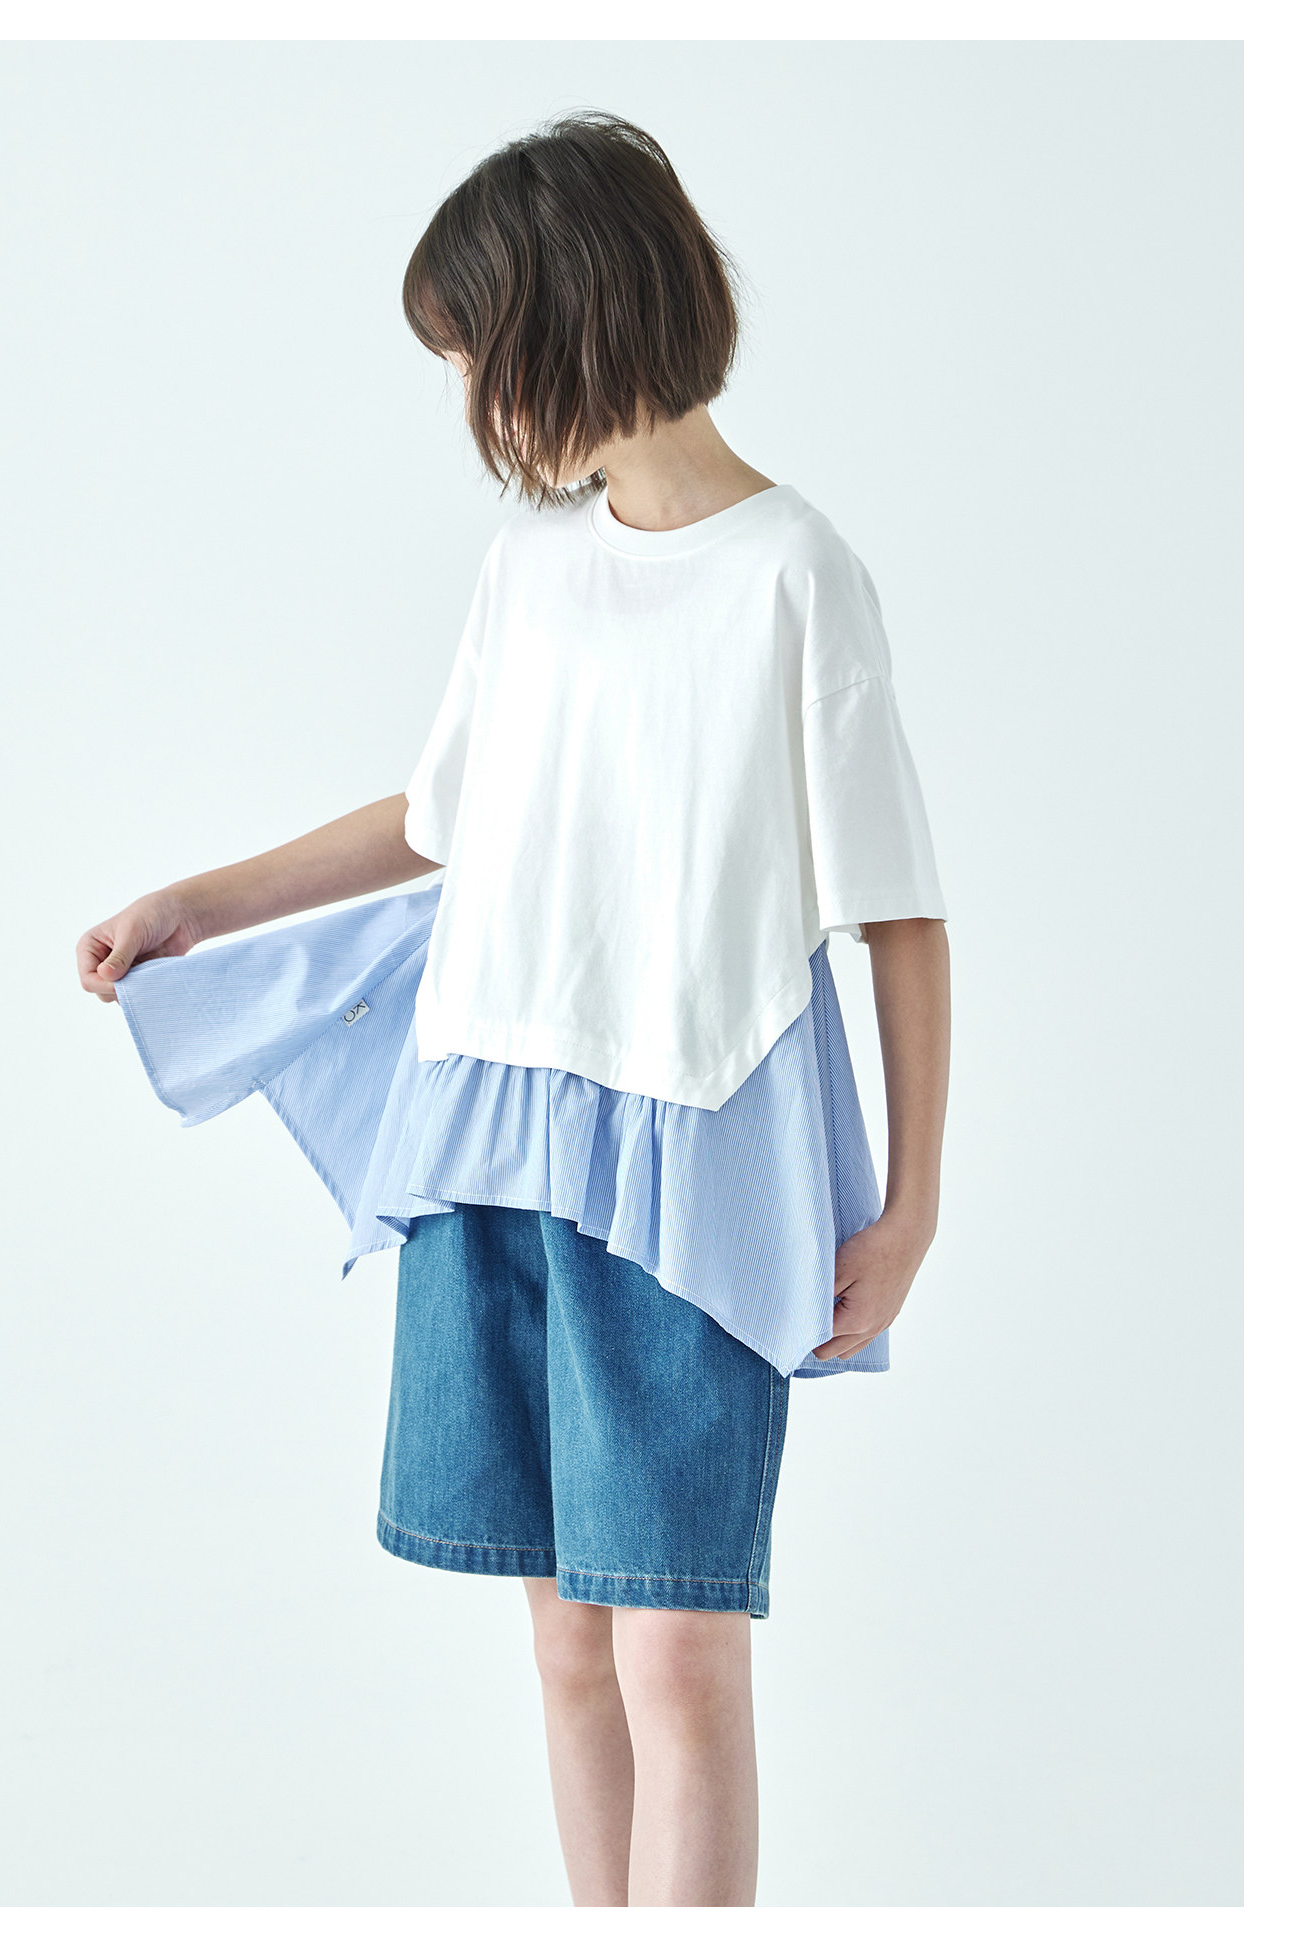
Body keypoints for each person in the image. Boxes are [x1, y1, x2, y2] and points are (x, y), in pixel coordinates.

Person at [76, 110, 951, 1909]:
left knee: (678, 1648)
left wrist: (913, 1203)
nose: (470, 400)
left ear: (571, 318)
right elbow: (439, 818)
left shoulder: (795, 576)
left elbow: (900, 908)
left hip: (689, 1152)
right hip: (494, 1136)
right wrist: (201, 902)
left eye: (474, 354)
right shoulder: (532, 570)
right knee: (565, 1645)